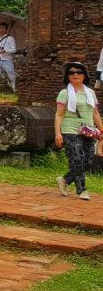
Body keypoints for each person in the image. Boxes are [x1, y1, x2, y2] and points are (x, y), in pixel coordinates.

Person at [54, 62, 101, 201]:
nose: (75, 74)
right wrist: (58, 133)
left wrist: (102, 129)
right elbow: (59, 114)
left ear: (84, 75)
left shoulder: (90, 92)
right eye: (71, 72)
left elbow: (95, 114)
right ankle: (82, 190)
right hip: (70, 129)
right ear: (67, 76)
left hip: (88, 129)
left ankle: (65, 180)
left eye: (79, 72)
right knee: (77, 159)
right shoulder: (64, 93)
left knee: (88, 160)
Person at [0, 22, 18, 98]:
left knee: (11, 76)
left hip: (7, 60)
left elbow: (14, 50)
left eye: (3, 28)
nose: (2, 29)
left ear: (6, 29)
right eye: (0, 28)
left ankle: (15, 91)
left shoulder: (10, 39)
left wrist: (6, 51)